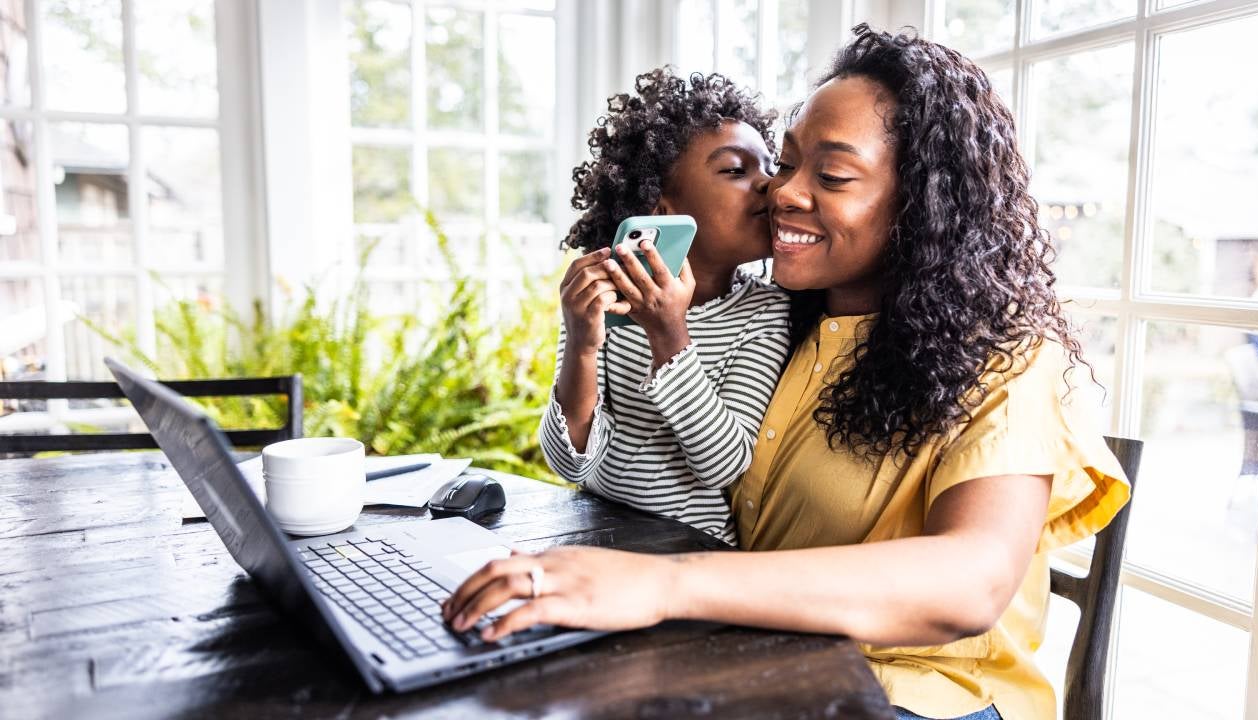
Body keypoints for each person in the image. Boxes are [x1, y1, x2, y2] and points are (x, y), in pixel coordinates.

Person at [447, 26, 1130, 720]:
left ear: (922, 206)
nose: (780, 193)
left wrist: (662, 584)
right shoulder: (790, 325)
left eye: (831, 176)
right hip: (764, 661)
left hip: (918, 697)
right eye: (785, 164)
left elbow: (972, 583)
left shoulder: (1006, 356)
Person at [538, 67, 791, 544]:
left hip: (691, 555)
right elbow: (568, 460)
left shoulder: (764, 313)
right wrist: (583, 346)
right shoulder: (606, 303)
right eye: (737, 169)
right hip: (596, 538)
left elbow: (724, 464)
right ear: (661, 208)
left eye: (771, 167)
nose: (769, 185)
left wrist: (669, 335)